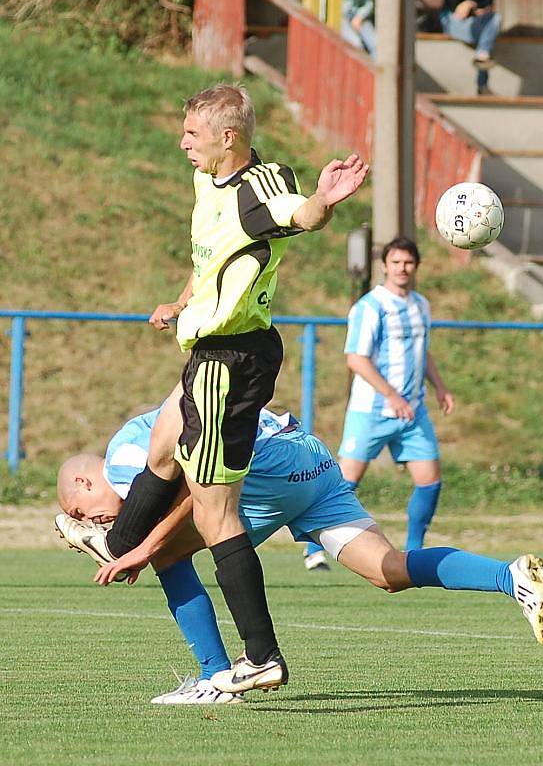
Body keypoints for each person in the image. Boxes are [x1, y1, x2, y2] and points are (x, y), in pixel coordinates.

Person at [57, 82, 369, 695]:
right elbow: (211, 259)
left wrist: (323, 203)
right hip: (208, 352)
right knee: (163, 443)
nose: (182, 143)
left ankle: (262, 656)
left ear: (229, 139)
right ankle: (116, 539)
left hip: (234, 358)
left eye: (192, 135)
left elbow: (295, 215)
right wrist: (182, 300)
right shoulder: (211, 180)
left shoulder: (260, 186)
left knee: (215, 511)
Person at [56, 406, 543, 703]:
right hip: (308, 458)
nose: (94, 518)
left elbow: (199, 489)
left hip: (269, 469)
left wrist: (139, 547)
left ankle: (213, 677)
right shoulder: (134, 441)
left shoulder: (124, 461)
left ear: (84, 479)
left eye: (83, 510)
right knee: (389, 570)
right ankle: (509, 575)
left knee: (167, 554)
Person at [338, 236, 454, 551]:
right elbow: (356, 359)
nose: (402, 268)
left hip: (412, 411)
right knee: (342, 486)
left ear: (416, 266)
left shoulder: (421, 305)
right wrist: (390, 394)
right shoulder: (370, 307)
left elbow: (423, 351)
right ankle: (314, 550)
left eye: (408, 263)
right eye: (396, 263)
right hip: (371, 410)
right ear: (385, 266)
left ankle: (414, 551)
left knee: (430, 480)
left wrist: (440, 387)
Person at [421, 0, 502, 95]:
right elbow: (458, 11)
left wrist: (477, 6)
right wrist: (466, 5)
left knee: (494, 21)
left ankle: (482, 73)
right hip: (452, 20)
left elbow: (485, 5)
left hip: (475, 23)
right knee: (484, 42)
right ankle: (482, 82)